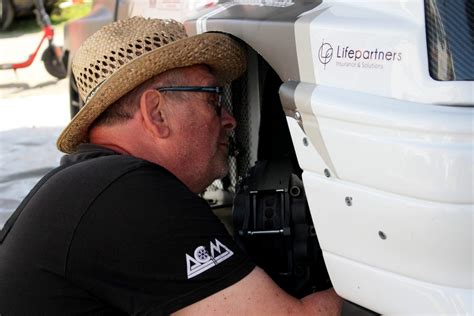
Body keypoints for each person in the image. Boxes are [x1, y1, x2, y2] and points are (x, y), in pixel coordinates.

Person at [0, 17, 342, 315]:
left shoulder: (88, 187)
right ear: (156, 113)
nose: (230, 120)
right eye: (213, 99)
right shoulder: (130, 192)